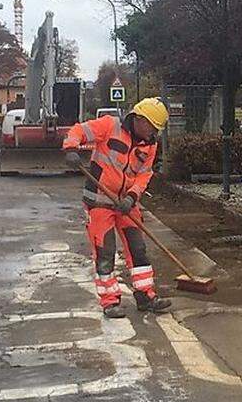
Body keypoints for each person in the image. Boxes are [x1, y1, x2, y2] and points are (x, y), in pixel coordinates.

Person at [64, 98, 171, 318]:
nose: (153, 133)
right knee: (105, 252)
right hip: (99, 201)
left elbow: (144, 174)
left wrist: (132, 198)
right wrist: (71, 149)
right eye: (152, 127)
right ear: (140, 120)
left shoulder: (149, 143)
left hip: (126, 203)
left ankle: (145, 295)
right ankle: (110, 301)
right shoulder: (109, 126)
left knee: (138, 249)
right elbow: (78, 131)